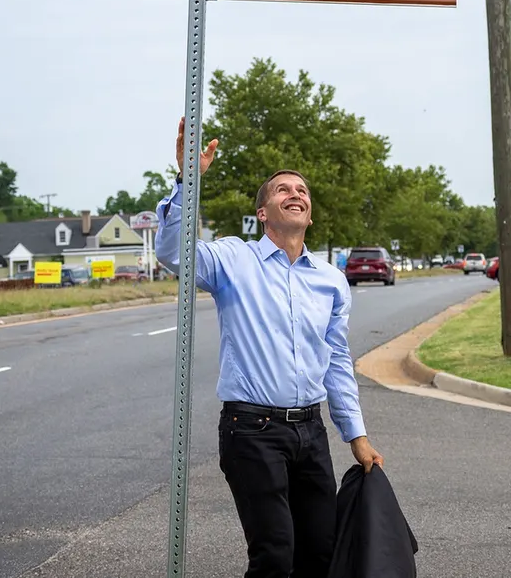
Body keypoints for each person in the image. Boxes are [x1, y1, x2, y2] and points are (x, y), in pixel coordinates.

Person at [154, 118, 384, 578]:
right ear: (263, 212)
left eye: (302, 190)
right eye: (282, 190)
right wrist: (187, 180)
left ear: (310, 214)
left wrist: (356, 436)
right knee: (275, 555)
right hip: (251, 431)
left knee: (320, 554)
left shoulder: (331, 280)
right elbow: (175, 254)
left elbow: (337, 363)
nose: (295, 194)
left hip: (311, 432)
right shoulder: (233, 260)